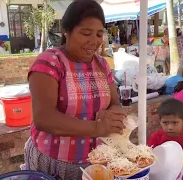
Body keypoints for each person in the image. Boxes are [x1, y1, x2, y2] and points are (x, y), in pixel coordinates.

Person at [24, 0, 127, 179]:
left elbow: (115, 102)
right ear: (67, 31)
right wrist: (97, 128)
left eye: (99, 34)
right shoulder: (50, 62)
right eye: (86, 33)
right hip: (55, 164)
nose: (94, 41)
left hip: (96, 162)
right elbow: (43, 118)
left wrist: (113, 115)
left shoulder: (102, 64)